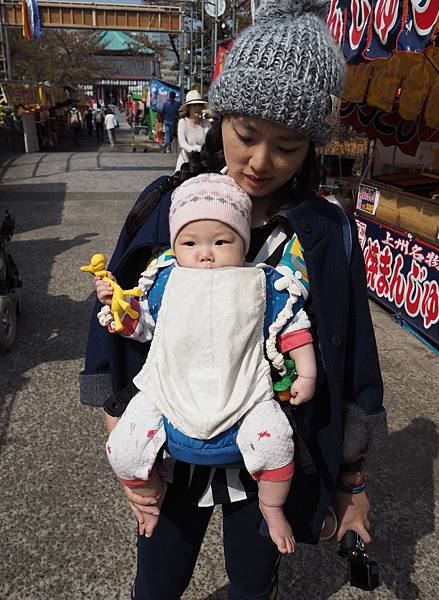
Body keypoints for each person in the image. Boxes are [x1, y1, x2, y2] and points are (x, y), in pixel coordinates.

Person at [80, 1, 387, 598]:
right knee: (157, 583)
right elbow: (115, 316)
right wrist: (118, 424)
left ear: (313, 148)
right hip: (173, 442)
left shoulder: (323, 232)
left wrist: (351, 478)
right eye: (245, 135)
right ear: (218, 117)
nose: (259, 161)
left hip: (270, 444)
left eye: (288, 146)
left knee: (253, 583)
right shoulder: (167, 204)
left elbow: (353, 356)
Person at [95, 173, 317, 554]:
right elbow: (142, 326)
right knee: (124, 447)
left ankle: (272, 504)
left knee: (278, 441)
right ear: (174, 245)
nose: (206, 253)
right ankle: (148, 498)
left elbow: (293, 327)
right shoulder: (165, 281)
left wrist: (307, 370)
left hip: (244, 393)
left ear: (243, 243)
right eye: (191, 243)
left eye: (221, 241)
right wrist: (118, 305)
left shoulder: (260, 283)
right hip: (168, 390)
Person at [175, 90, 211, 172]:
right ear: (189, 108)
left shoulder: (206, 123)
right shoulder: (182, 123)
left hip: (201, 163)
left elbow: (209, 143)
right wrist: (198, 148)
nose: (198, 108)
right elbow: (183, 144)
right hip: (185, 163)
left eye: (200, 105)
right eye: (195, 105)